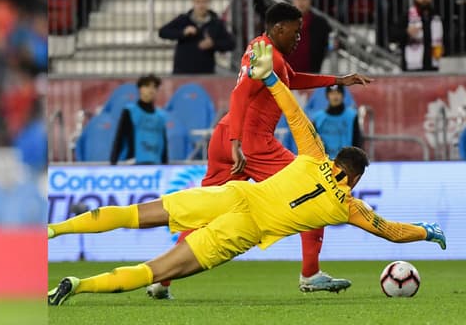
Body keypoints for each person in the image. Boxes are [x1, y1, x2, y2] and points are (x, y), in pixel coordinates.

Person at [47, 41, 446, 306]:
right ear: (356, 177)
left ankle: (52, 231)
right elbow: (391, 230)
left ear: (336, 158)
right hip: (241, 231)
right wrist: (427, 231)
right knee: (157, 269)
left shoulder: (311, 153)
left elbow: (292, 109)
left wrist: (270, 76)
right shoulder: (348, 207)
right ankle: (79, 286)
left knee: (137, 214)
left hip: (233, 195)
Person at [151, 1, 371, 300]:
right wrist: (238, 143)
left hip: (225, 135)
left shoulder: (264, 50)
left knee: (204, 214)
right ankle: (310, 274)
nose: (298, 39)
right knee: (317, 188)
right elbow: (240, 93)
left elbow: (290, 80)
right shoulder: (269, 55)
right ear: (279, 28)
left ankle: (160, 279)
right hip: (251, 142)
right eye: (295, 33)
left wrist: (337, 80)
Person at [157, 0, 234, 75]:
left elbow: (230, 44)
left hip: (205, 73)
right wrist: (183, 32)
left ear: (208, 2)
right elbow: (162, 32)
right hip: (182, 72)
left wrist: (213, 44)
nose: (201, 5)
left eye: (204, 1)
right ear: (193, 2)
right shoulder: (184, 19)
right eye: (198, 1)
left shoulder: (215, 23)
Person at [109, 74, 168, 165]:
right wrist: (113, 162)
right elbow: (119, 138)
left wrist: (166, 165)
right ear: (140, 88)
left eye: (154, 87)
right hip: (134, 165)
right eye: (147, 86)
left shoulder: (161, 116)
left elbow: (164, 142)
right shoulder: (130, 111)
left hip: (156, 164)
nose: (151, 90)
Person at [311, 84, 363, 160]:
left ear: (343, 95)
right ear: (327, 95)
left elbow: (357, 141)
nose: (335, 96)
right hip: (324, 164)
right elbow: (313, 143)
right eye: (332, 93)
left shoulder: (351, 116)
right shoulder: (318, 118)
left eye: (338, 93)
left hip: (346, 163)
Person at [285, 0, 330, 73]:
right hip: (286, 74)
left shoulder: (320, 23)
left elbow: (328, 42)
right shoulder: (283, 21)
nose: (301, 2)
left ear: (310, 1)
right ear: (293, 1)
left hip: (311, 74)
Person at [401, 0, 444, 71]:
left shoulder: (437, 16)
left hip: (433, 63)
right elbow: (393, 34)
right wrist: (406, 32)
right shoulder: (407, 15)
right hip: (412, 66)